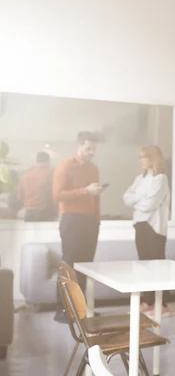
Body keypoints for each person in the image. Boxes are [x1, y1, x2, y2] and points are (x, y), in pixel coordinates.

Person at [53, 131, 105, 323]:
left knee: (85, 267)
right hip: (72, 220)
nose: (91, 152)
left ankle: (81, 310)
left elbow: (95, 196)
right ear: (79, 145)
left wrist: (97, 219)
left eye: (94, 149)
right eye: (88, 148)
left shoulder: (94, 168)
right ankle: (63, 310)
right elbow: (57, 195)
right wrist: (85, 191)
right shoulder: (65, 166)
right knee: (69, 265)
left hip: (91, 222)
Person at [124, 145, 171, 317]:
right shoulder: (140, 179)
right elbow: (126, 198)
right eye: (140, 158)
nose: (142, 161)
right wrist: (139, 199)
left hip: (154, 228)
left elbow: (150, 204)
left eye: (145, 157)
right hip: (140, 225)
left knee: (157, 267)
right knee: (143, 266)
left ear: (154, 159)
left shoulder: (160, 179)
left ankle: (162, 305)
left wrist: (136, 201)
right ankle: (147, 302)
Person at [18, 151, 56, 222]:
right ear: (48, 161)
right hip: (46, 212)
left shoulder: (24, 175)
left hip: (29, 213)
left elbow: (20, 197)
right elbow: (55, 195)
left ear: (36, 161)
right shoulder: (52, 175)